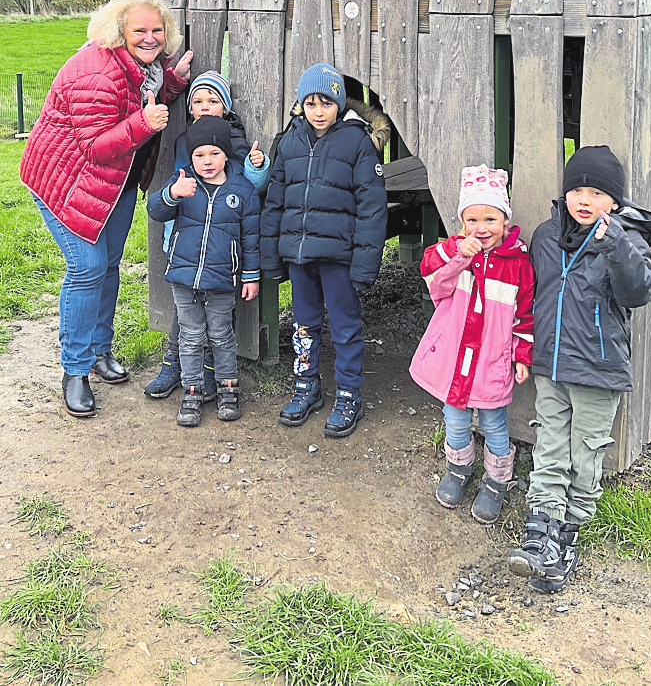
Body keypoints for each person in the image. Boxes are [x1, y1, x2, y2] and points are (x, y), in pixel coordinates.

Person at [20, 0, 192, 418]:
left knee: (110, 263)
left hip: (113, 184)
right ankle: (74, 371)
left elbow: (138, 100)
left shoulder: (145, 69)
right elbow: (97, 147)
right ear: (119, 32)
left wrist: (170, 84)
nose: (151, 38)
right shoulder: (94, 72)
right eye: (140, 31)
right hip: (66, 181)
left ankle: (99, 351)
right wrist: (143, 124)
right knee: (87, 267)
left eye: (157, 30)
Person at [507, 145, 651, 592]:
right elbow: (533, 291)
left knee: (585, 452)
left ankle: (568, 535)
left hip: (597, 367)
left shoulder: (625, 239)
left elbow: (639, 292)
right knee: (549, 445)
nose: (585, 200)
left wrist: (615, 245)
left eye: (596, 192)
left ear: (614, 201)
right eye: (577, 190)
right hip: (552, 365)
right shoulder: (547, 236)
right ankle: (541, 533)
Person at [260, 63, 388, 439]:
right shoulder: (290, 141)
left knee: (345, 327)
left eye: (326, 103)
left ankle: (349, 393)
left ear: (338, 103)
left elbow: (371, 206)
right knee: (304, 325)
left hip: (338, 257)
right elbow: (275, 201)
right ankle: (307, 386)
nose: (318, 111)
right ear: (301, 105)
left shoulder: (357, 143)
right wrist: (272, 255)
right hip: (300, 257)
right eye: (311, 103)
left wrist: (365, 264)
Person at [409, 166, 534, 523]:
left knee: (494, 422)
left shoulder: (518, 266)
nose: (482, 228)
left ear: (505, 222)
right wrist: (456, 250)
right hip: (455, 358)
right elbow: (431, 274)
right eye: (473, 219)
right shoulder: (456, 254)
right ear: (463, 223)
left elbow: (525, 317)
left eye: (491, 218)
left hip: (491, 360)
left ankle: (497, 481)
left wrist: (522, 356)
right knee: (455, 417)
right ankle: (459, 468)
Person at [143, 70, 270, 401]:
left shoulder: (235, 141)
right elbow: (175, 185)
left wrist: (257, 166)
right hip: (186, 235)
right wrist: (174, 193)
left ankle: (212, 373)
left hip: (220, 241)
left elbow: (246, 189)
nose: (205, 106)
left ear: (225, 107)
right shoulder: (185, 141)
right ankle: (175, 366)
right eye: (197, 101)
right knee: (184, 312)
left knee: (218, 314)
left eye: (213, 100)